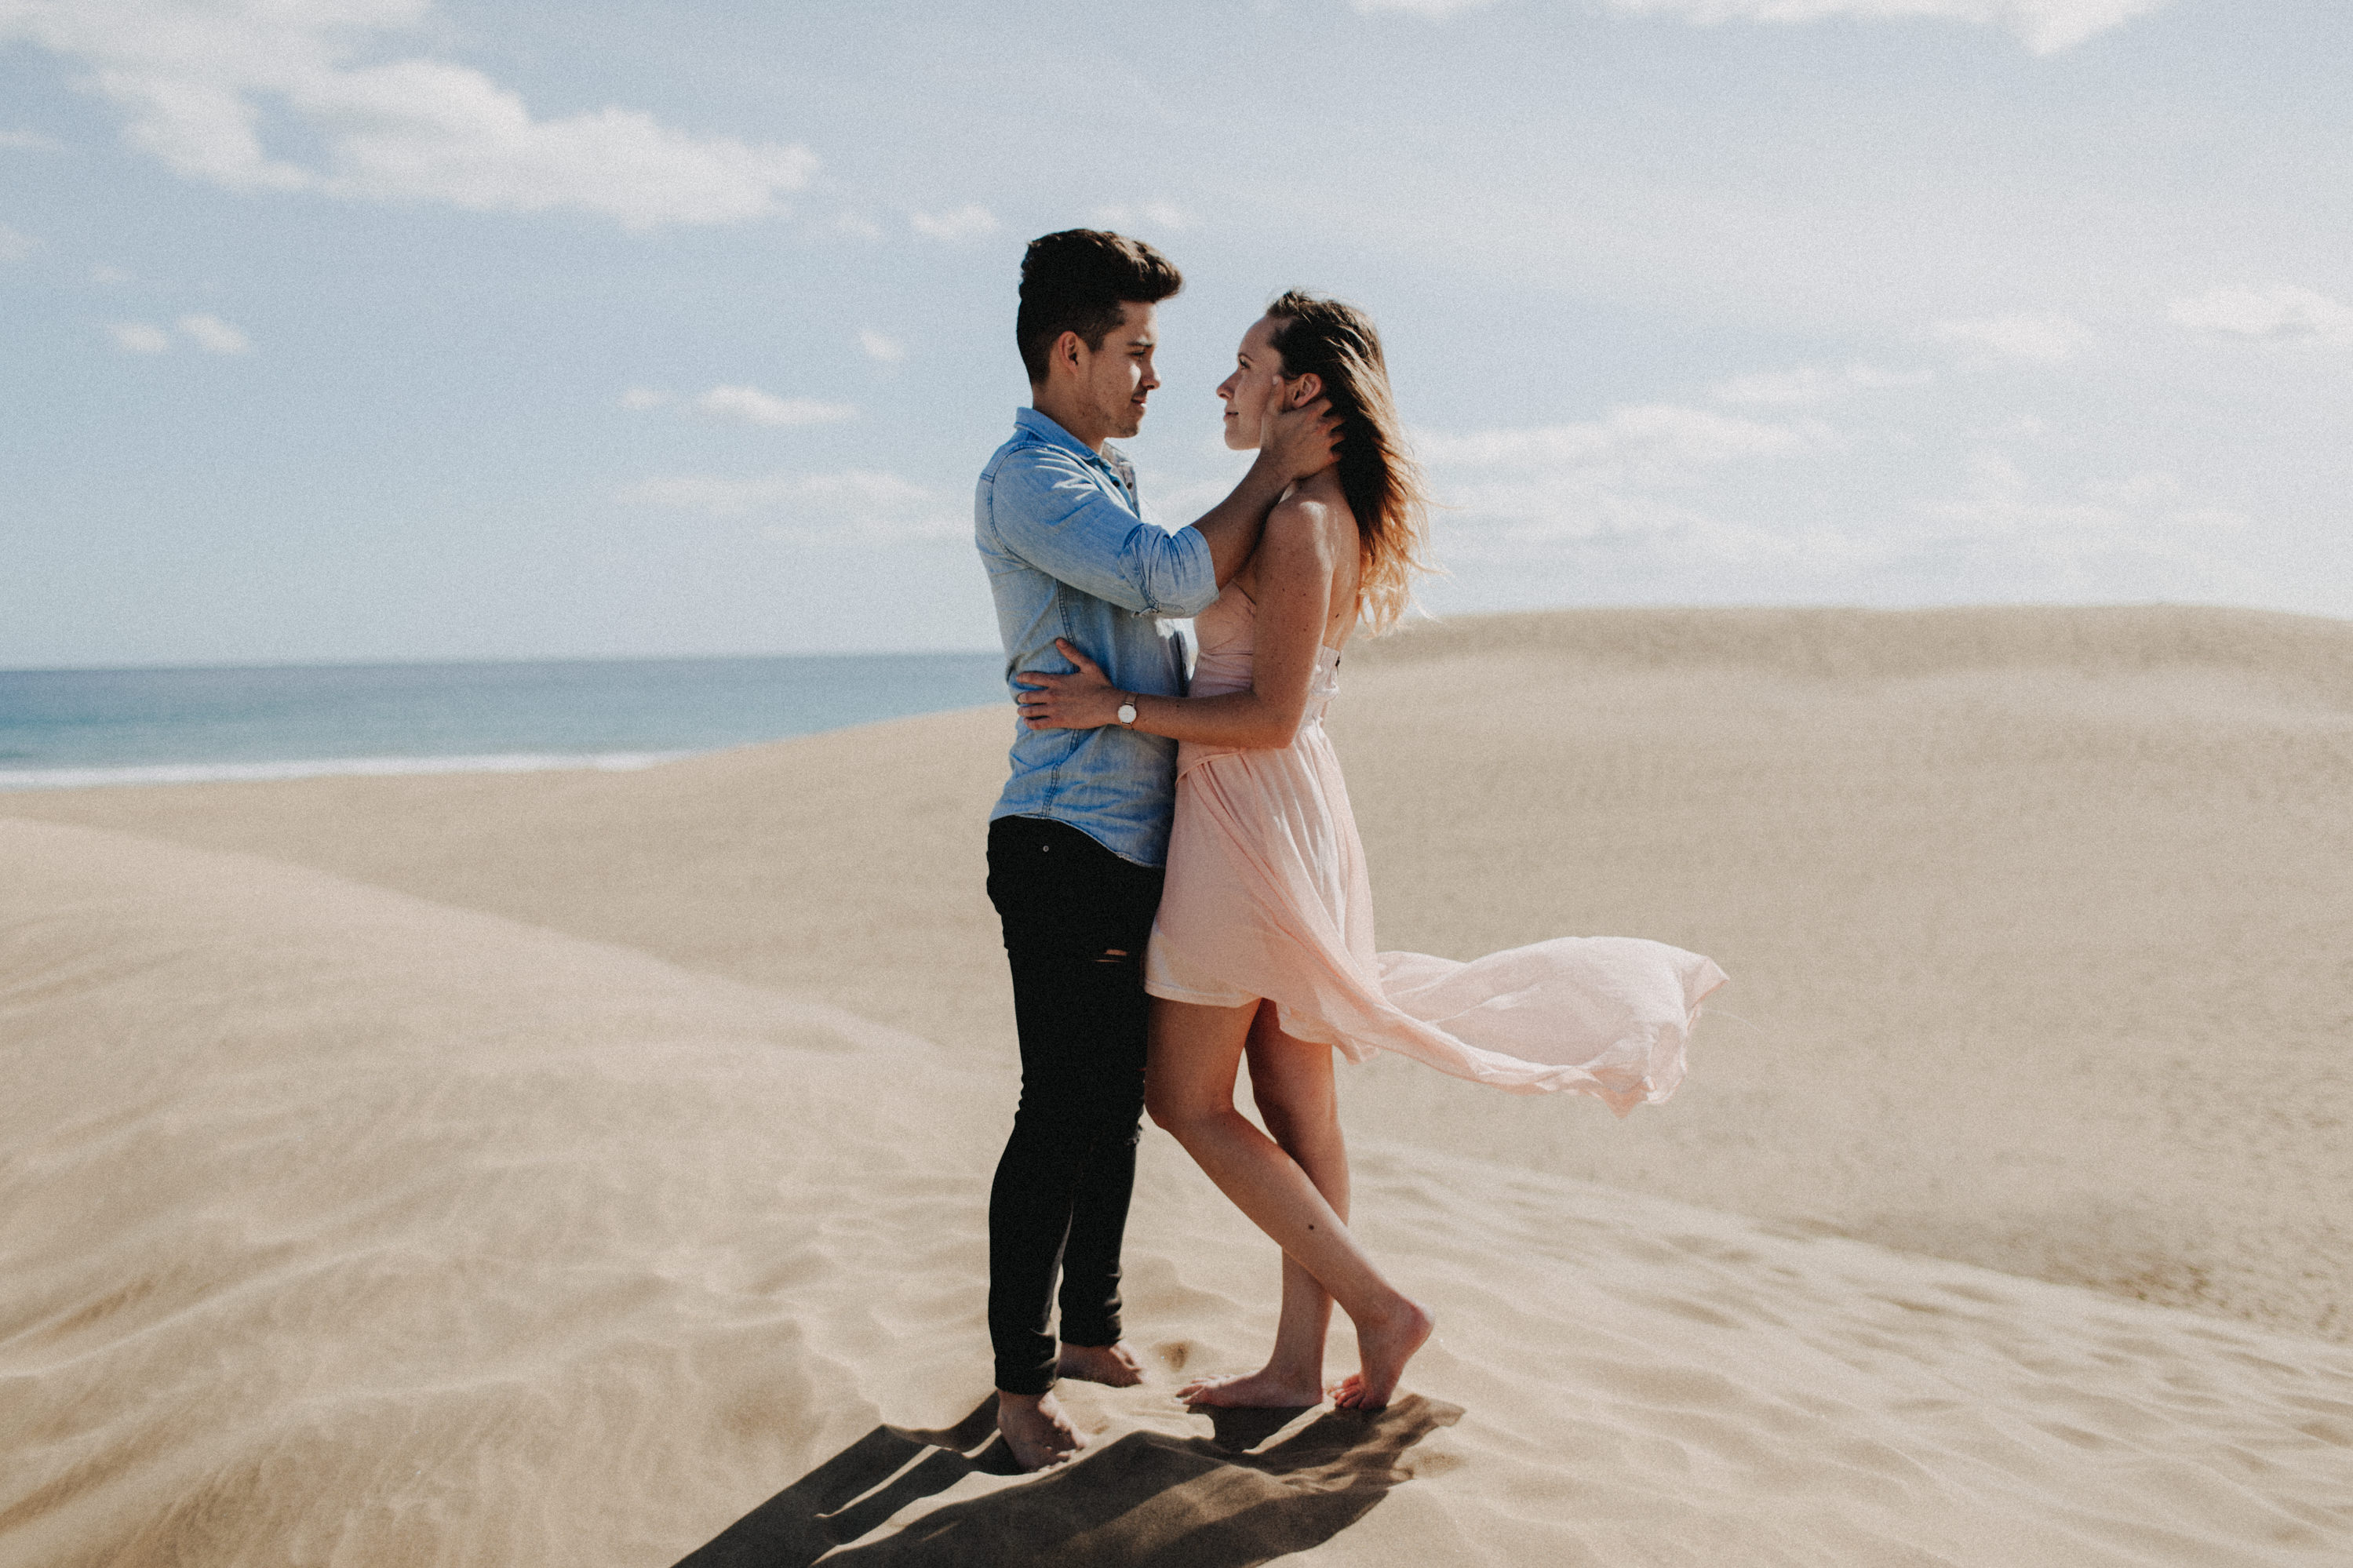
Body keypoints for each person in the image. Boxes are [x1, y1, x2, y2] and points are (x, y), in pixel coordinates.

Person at [1014, 291, 1727, 1414]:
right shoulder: (1303, 509)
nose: (1221, 384)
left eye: (1244, 365)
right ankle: (1299, 1367)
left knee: (1185, 1100)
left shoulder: (1300, 524)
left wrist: (1114, 710)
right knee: (1299, 1108)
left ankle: (1383, 1310)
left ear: (1300, 389)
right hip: (1281, 813)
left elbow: (1269, 717)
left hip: (1248, 819)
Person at [974, 232, 1339, 1472]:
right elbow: (1175, 579)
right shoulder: (1035, 480)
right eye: (1136, 350)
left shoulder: (1106, 469)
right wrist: (1281, 463)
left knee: (1117, 1111)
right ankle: (1022, 1389)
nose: (1155, 376)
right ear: (1069, 352)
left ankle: (1089, 1330)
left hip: (1137, 838)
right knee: (1059, 1110)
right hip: (1064, 836)